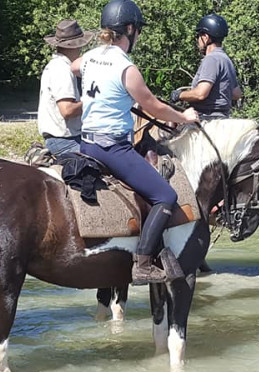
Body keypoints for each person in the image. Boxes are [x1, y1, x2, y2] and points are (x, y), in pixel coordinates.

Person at [72, 0, 199, 284]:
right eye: (137, 31)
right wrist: (184, 116)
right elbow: (154, 107)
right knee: (166, 196)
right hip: (112, 148)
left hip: (87, 143)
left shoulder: (90, 57)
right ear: (129, 29)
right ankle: (142, 263)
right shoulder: (127, 69)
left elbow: (73, 67)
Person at [38, 19, 94, 155]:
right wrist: (95, 100)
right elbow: (67, 110)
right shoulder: (62, 69)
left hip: (64, 139)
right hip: (65, 141)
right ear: (76, 45)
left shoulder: (58, 65)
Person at [170, 13, 242, 119]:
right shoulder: (226, 60)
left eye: (198, 36)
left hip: (206, 118)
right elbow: (237, 94)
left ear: (206, 37)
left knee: (168, 134)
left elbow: (201, 94)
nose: (197, 40)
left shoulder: (211, 59)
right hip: (224, 118)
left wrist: (179, 95)